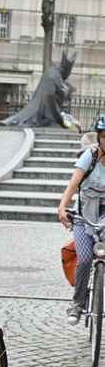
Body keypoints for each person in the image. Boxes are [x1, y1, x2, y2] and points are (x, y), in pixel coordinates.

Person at [57, 116, 105, 324]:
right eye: (104, 136)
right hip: (84, 212)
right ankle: (78, 303)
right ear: (99, 137)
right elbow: (72, 183)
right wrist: (61, 207)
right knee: (85, 258)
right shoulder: (90, 156)